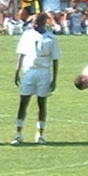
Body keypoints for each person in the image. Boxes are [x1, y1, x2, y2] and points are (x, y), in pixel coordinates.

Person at [12, 12, 61, 145]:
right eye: (33, 22)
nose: (34, 25)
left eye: (37, 23)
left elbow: (55, 59)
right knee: (23, 102)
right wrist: (17, 71)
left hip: (44, 72)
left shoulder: (51, 38)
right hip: (29, 71)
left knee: (41, 103)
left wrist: (54, 79)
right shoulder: (27, 35)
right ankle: (19, 134)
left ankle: (40, 134)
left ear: (44, 23)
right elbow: (21, 54)